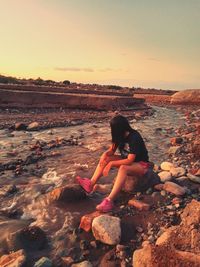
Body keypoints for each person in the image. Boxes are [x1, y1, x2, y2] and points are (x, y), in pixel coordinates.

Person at [77, 114, 150, 212]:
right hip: (127, 159)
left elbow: (130, 160)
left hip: (141, 164)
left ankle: (109, 201)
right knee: (106, 158)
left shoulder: (134, 137)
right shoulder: (118, 136)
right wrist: (105, 154)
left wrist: (111, 164)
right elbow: (111, 151)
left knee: (123, 168)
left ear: (119, 129)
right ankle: (91, 184)